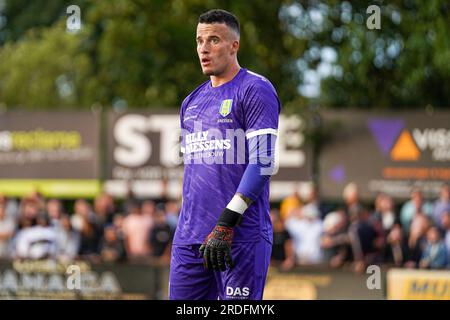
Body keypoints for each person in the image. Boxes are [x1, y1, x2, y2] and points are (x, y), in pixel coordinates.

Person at [169, 9, 280, 300]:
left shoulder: (255, 89)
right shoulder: (190, 102)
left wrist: (226, 223)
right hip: (190, 239)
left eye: (214, 40)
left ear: (234, 46)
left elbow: (263, 162)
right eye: (199, 41)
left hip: (239, 235)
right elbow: (196, 175)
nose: (204, 49)